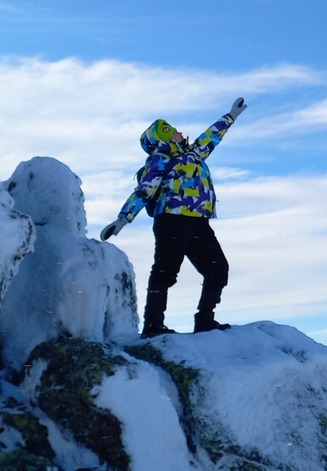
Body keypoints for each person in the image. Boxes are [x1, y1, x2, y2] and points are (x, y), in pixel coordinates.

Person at [101, 98, 246, 335]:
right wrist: (123, 218)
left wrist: (230, 116)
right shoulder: (161, 158)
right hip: (171, 219)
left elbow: (210, 137)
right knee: (165, 271)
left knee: (218, 268)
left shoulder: (194, 152)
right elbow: (144, 189)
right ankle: (153, 325)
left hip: (199, 221)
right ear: (161, 139)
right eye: (169, 130)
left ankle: (205, 321)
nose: (178, 131)